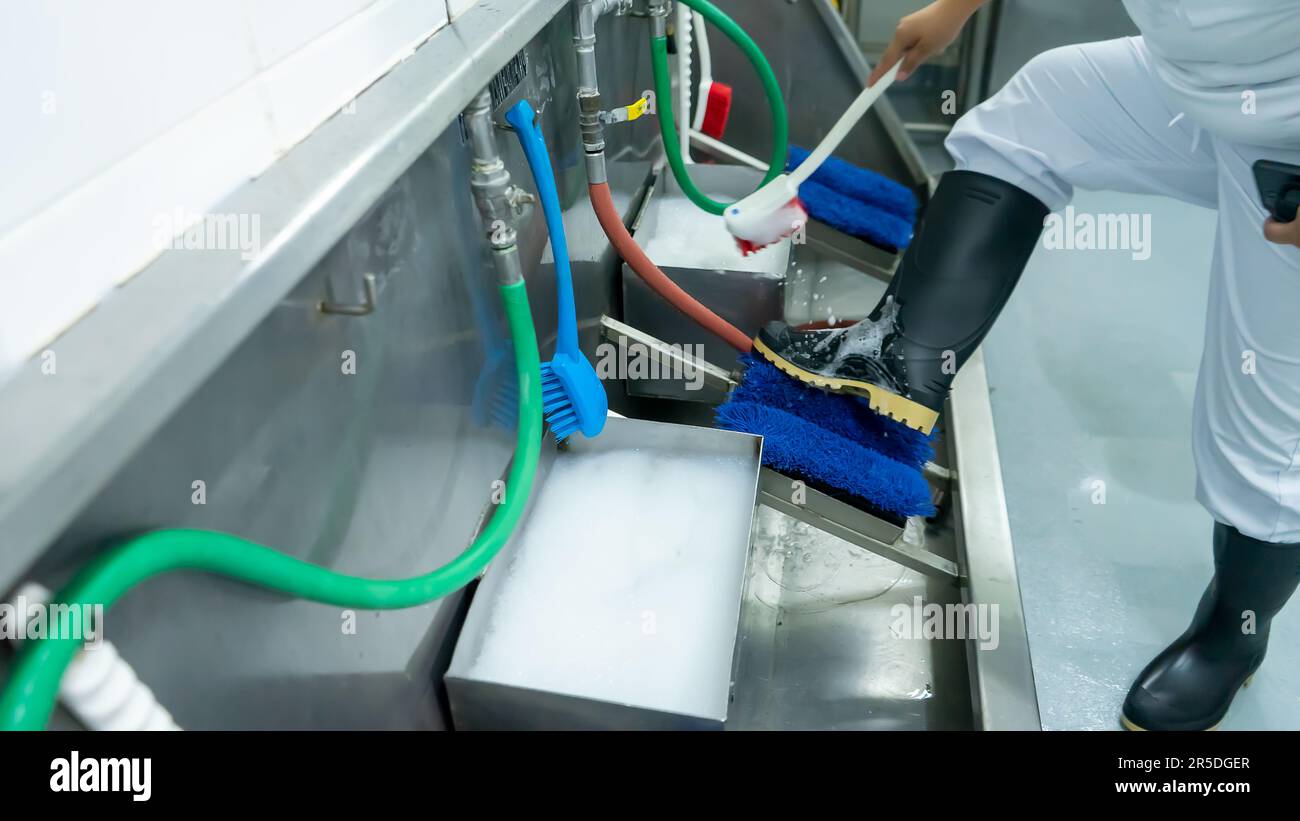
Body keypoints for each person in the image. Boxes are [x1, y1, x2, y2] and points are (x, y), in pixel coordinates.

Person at [756, 0, 1300, 731]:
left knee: (1264, 415)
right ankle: (898, 357)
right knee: (1034, 114)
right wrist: (953, 9)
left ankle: (1233, 633)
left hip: (1288, 136)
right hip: (1196, 82)